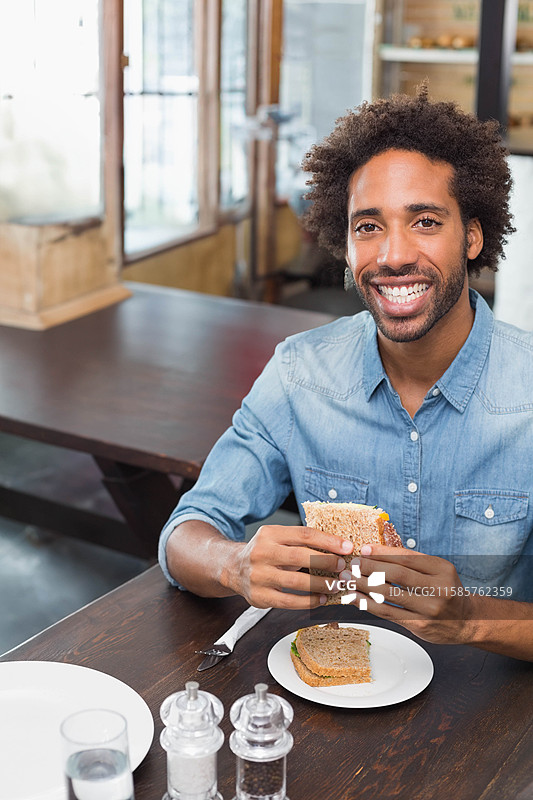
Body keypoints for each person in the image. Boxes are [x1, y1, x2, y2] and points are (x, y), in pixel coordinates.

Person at [159, 85, 533, 661]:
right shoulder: (298, 374)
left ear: (473, 236)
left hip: (491, 705)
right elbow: (185, 533)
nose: (392, 256)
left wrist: (471, 619)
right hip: (330, 692)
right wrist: (235, 564)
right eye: (368, 227)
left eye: (425, 221)